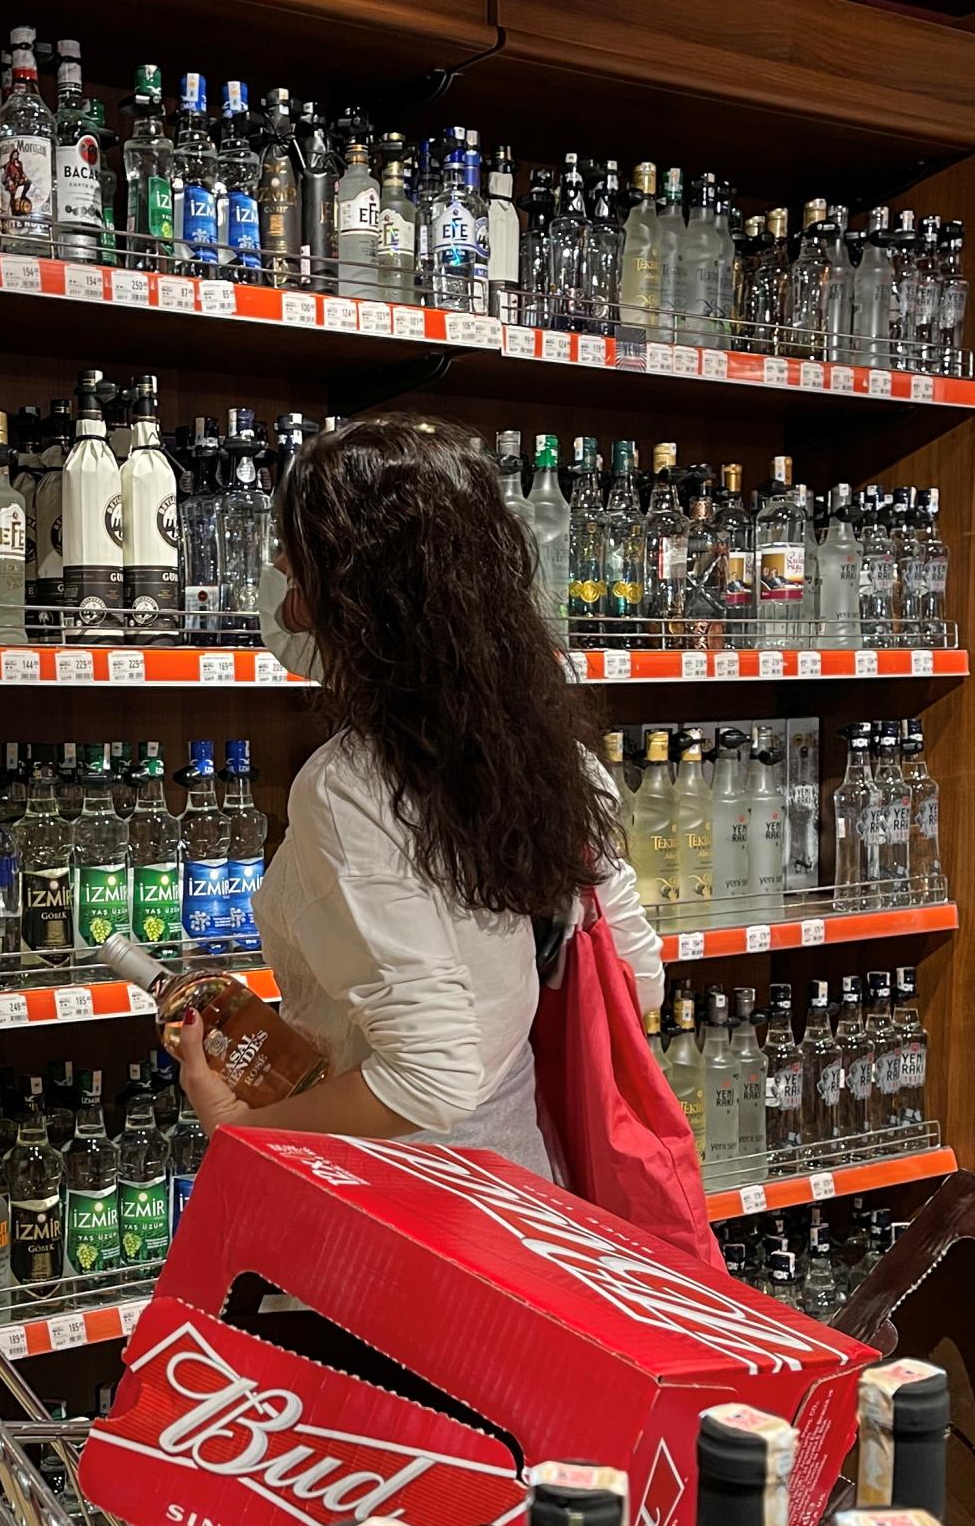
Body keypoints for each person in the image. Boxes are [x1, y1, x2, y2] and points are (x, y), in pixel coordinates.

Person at [167, 414, 663, 1180]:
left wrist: (244, 1123)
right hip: (531, 1186)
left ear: (349, 594)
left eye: (293, 560)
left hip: (402, 1209)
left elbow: (428, 1078)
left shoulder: (350, 786)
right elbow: (639, 976)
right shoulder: (552, 757)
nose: (280, 582)